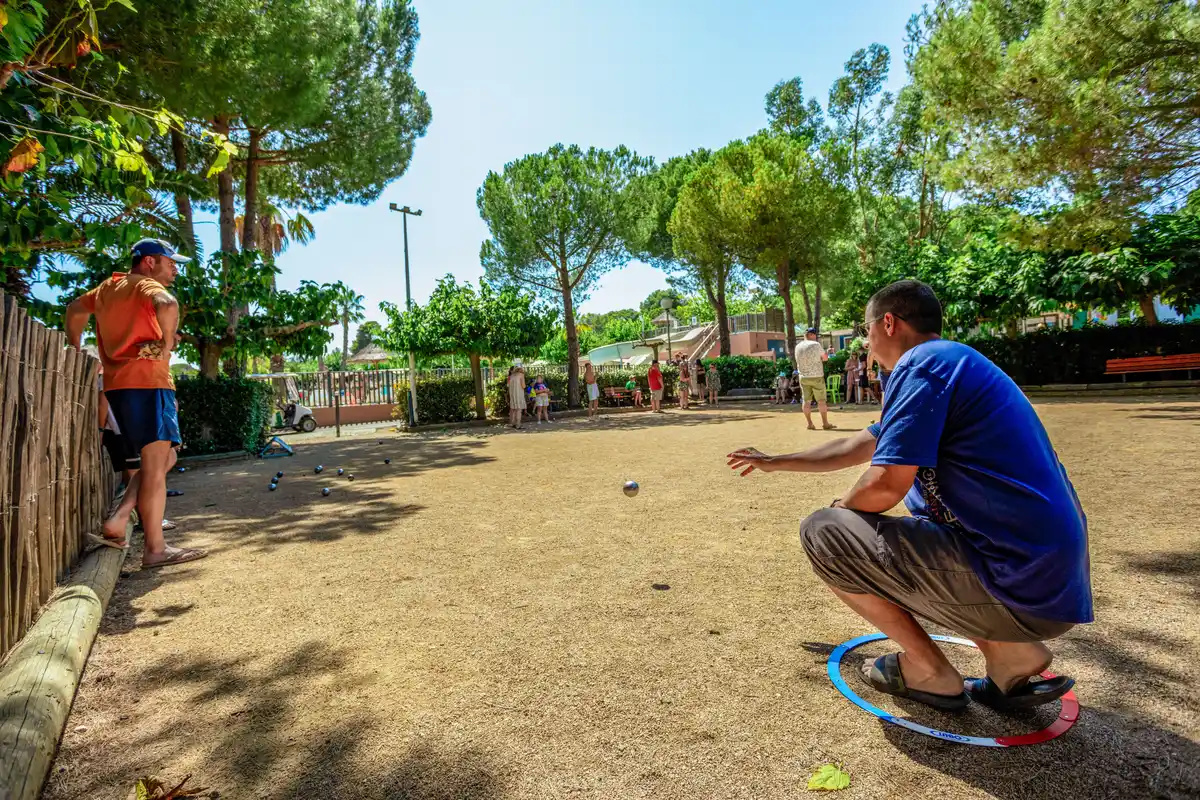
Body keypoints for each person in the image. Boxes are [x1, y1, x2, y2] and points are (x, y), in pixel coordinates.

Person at [727, 279, 1090, 712]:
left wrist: (840, 514)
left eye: (867, 330)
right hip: (1046, 584)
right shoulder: (949, 364)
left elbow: (885, 484)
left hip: (1017, 582)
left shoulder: (922, 364)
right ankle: (1009, 654)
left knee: (823, 532)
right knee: (909, 529)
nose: (866, 342)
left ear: (889, 322)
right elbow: (864, 443)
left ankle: (929, 670)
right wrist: (777, 460)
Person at [66, 239, 204, 568]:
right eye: (169, 261)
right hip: (149, 383)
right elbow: (168, 304)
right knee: (156, 467)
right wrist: (167, 342)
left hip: (118, 386)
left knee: (163, 456)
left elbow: (73, 310)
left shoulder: (107, 289)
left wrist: (74, 348)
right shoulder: (145, 285)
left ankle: (121, 515)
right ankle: (156, 549)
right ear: (148, 262)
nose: (174, 268)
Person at [795, 328, 835, 430]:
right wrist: (827, 352)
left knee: (806, 401)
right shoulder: (815, 344)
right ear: (811, 335)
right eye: (815, 335)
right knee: (821, 401)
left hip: (803, 376)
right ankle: (825, 423)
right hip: (816, 376)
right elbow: (825, 358)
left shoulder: (797, 346)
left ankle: (810, 423)